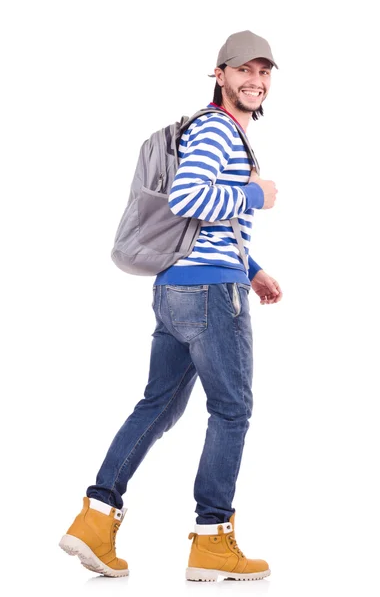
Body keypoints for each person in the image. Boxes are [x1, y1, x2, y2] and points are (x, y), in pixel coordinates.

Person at [59, 29, 283, 582]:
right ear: (219, 75)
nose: (254, 81)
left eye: (263, 72)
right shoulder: (216, 130)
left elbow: (213, 221)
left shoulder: (222, 131)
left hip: (178, 287)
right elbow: (188, 197)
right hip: (208, 292)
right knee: (232, 410)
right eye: (243, 71)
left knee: (158, 406)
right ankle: (212, 540)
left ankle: (95, 517)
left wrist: (252, 271)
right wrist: (259, 194)